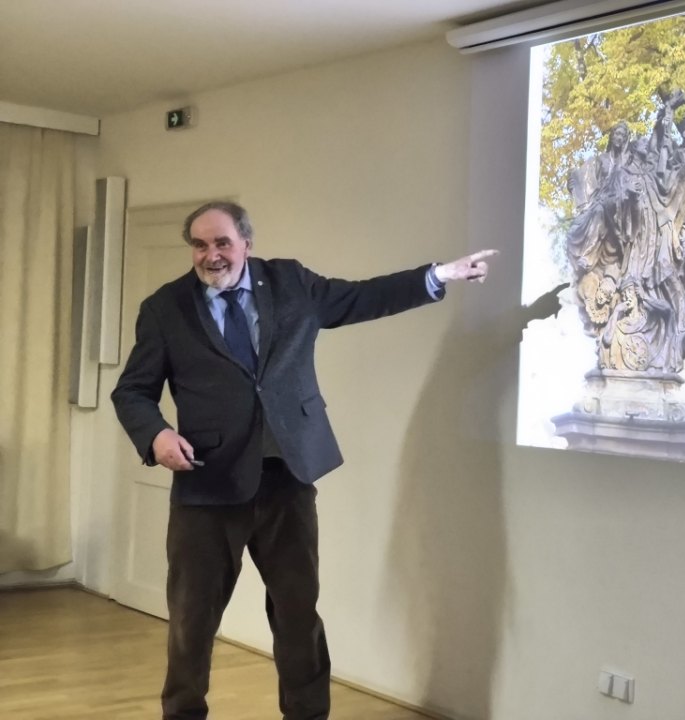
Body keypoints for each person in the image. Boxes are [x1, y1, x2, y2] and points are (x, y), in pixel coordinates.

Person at [110, 200, 497, 720]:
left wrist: (438, 275)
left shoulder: (290, 283)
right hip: (208, 486)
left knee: (297, 616)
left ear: (246, 243)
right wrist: (156, 435)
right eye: (199, 245)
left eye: (222, 242)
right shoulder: (165, 308)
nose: (211, 255)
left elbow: (361, 298)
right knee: (191, 621)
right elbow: (132, 391)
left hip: (286, 480)